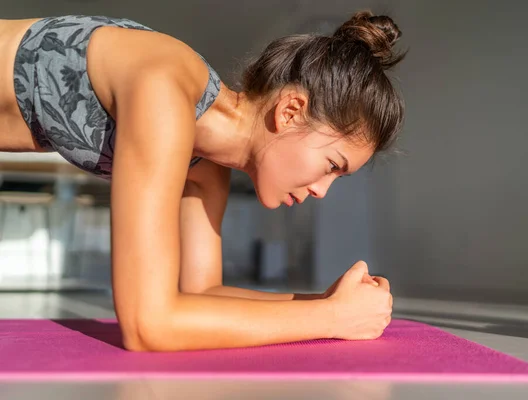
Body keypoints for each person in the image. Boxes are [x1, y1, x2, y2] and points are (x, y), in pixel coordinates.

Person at [0, 10, 406, 351]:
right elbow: (148, 325)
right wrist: (330, 318)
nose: (321, 190)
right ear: (290, 111)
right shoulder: (166, 90)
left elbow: (200, 295)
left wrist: (325, 302)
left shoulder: (206, 165)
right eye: (332, 165)